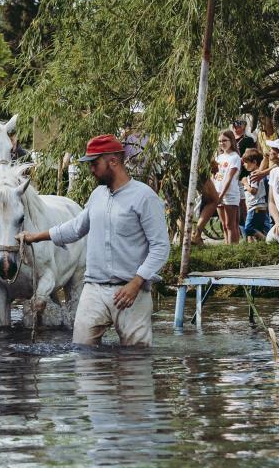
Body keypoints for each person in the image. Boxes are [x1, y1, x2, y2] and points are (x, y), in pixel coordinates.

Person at [17, 134, 170, 347]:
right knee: (82, 350)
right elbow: (76, 227)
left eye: (94, 163)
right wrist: (36, 237)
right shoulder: (98, 195)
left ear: (113, 161)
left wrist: (136, 284)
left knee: (136, 359)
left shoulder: (144, 197)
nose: (91, 169)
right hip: (94, 290)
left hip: (131, 293)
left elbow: (161, 247)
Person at [213, 129, 242, 243]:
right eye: (219, 141)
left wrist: (221, 194)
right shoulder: (218, 157)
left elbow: (229, 178)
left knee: (231, 225)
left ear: (231, 141)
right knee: (224, 225)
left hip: (229, 194)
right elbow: (214, 175)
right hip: (217, 193)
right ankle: (226, 245)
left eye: (224, 140)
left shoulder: (234, 157)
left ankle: (233, 249)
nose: (222, 143)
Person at [239, 148, 271, 241]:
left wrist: (245, 183)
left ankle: (267, 241)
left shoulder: (254, 175)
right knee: (259, 228)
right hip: (257, 206)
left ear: (254, 162)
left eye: (246, 162)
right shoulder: (256, 174)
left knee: (248, 229)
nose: (244, 165)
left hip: (256, 206)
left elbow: (254, 191)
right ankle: (262, 242)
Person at [231, 118, 256, 231]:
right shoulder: (230, 140)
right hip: (232, 176)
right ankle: (240, 227)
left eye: (239, 125)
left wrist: (240, 160)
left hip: (243, 175)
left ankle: (248, 228)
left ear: (244, 126)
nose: (236, 127)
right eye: (234, 125)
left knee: (244, 202)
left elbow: (251, 155)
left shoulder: (248, 140)